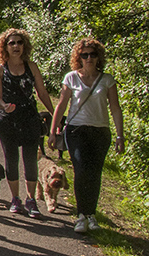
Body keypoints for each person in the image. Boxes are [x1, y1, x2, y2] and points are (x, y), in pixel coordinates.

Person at [49, 38, 125, 233]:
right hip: (76, 130)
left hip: (100, 131)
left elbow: (115, 108)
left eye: (92, 54)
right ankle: (81, 215)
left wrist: (120, 135)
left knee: (94, 173)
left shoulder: (107, 80)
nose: (89, 58)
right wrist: (52, 131)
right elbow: (62, 104)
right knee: (81, 170)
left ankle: (91, 215)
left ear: (98, 57)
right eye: (85, 55)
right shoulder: (71, 78)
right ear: (79, 57)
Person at [0, 28, 55, 218]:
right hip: (7, 119)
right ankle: (15, 199)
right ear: (5, 47)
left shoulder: (32, 67)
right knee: (11, 159)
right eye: (12, 43)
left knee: (29, 160)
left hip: (29, 118)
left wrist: (54, 114)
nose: (16, 46)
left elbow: (42, 92)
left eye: (19, 42)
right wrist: (4, 106)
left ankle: (31, 199)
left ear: (24, 46)